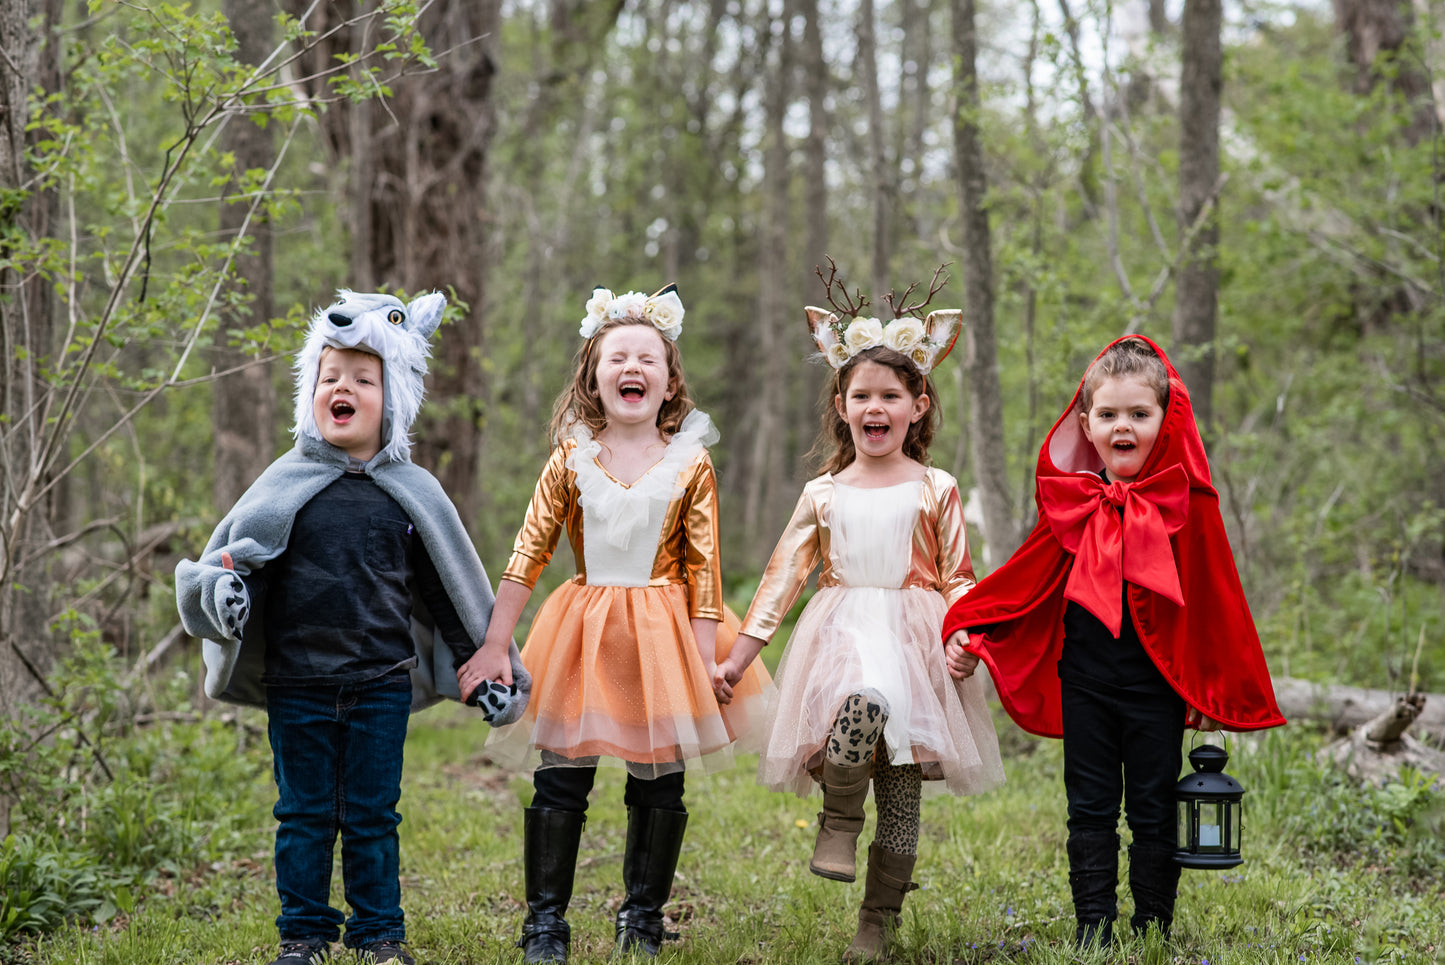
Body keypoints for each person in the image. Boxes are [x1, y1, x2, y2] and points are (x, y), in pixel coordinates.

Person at [176, 290, 529, 965]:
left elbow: (447, 586)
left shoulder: (411, 490)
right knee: (303, 815)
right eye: (329, 376)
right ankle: (303, 935)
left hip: (379, 684)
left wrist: (484, 660)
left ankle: (379, 935)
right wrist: (224, 592)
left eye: (362, 379)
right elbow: (237, 566)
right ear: (310, 392)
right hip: (298, 681)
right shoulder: (283, 484)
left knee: (372, 815)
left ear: (392, 398)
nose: (342, 387)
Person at [941, 335, 1285, 946]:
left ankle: (1154, 926)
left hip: (1157, 685)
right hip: (1086, 679)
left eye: (1139, 414)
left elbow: (1215, 599)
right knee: (1090, 806)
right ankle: (1093, 929)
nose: (1123, 425)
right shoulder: (1072, 500)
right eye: (1108, 414)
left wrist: (1210, 692)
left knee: (1153, 807)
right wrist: (974, 629)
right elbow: (1026, 579)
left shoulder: (1185, 500)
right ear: (1086, 423)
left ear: (1165, 418)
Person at [469, 284, 772, 964]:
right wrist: (496, 639)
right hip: (583, 626)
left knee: (658, 774)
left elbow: (704, 568)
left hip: (666, 631)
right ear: (592, 376)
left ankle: (642, 918)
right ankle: (544, 923)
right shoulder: (570, 458)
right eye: (617, 358)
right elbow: (530, 549)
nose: (631, 367)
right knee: (561, 772)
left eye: (647, 359)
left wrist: (702, 659)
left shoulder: (689, 461)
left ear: (668, 384)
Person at [714, 291, 1005, 963]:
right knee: (859, 704)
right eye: (861, 396)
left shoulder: (937, 486)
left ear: (917, 405)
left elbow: (958, 576)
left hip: (916, 638)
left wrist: (967, 635)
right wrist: (736, 658)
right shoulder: (824, 492)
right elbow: (781, 579)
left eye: (890, 396)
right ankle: (839, 819)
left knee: (901, 787)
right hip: (842, 630)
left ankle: (877, 920)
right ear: (841, 408)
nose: (875, 407)